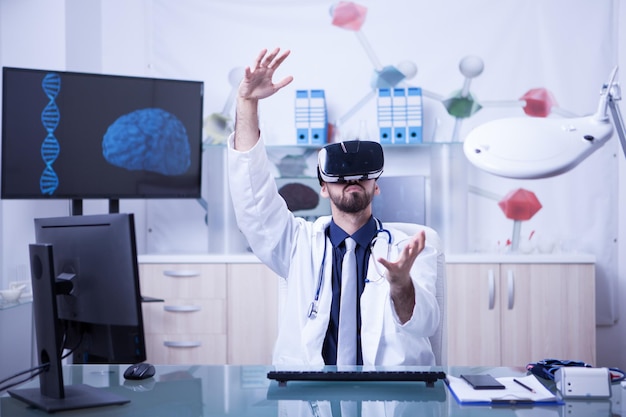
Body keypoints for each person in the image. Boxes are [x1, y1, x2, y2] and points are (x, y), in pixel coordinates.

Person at [227, 47, 440, 366]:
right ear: (323, 188)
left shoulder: (409, 249)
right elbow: (252, 196)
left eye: (362, 176)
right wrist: (247, 103)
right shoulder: (296, 244)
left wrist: (400, 285)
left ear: (376, 185)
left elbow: (425, 323)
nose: (351, 180)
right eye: (339, 177)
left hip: (390, 396)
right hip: (312, 393)